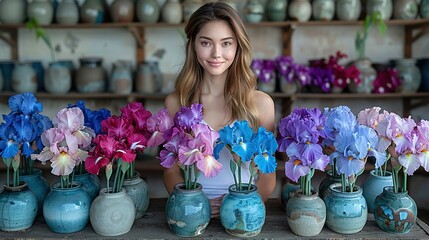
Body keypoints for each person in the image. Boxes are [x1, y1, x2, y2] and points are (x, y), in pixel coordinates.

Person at [163, 2, 276, 218]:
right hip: (192, 212)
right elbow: (170, 171)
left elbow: (268, 176)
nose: (216, 53)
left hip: (244, 213)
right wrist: (197, 206)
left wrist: (241, 207)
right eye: (206, 42)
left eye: (226, 43)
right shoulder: (176, 102)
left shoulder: (261, 104)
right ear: (193, 45)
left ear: (237, 47)